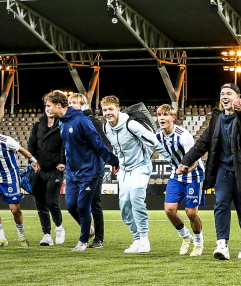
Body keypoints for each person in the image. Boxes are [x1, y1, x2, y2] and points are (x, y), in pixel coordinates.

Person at [177, 83, 241, 260]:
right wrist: (186, 162)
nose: (224, 96)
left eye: (229, 93)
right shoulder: (216, 119)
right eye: (222, 93)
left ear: (238, 97)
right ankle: (222, 244)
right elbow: (202, 144)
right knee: (221, 205)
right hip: (223, 170)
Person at [47, 91, 119, 252]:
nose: (47, 108)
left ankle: (84, 240)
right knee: (72, 206)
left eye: (49, 105)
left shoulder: (83, 121)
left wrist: (113, 161)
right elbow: (67, 146)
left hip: (90, 170)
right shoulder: (62, 122)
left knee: (87, 205)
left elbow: (99, 143)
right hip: (73, 172)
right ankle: (89, 229)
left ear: (58, 105)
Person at [101, 95, 171, 254]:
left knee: (136, 198)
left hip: (140, 167)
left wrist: (172, 161)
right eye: (105, 110)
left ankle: (145, 240)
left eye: (111, 109)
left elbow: (154, 141)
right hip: (124, 171)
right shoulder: (106, 128)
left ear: (118, 109)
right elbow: (116, 149)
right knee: (124, 209)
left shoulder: (130, 124)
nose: (108, 112)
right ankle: (137, 239)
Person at [0, 114, 39, 248]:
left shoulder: (6, 140)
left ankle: (21, 235)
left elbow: (21, 149)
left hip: (10, 177)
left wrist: (33, 161)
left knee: (15, 210)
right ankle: (2, 239)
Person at [156, 104, 206, 256]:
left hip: (194, 175)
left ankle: (198, 243)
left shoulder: (184, 136)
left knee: (191, 213)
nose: (162, 118)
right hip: (175, 176)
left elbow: (195, 159)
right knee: (169, 210)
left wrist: (185, 169)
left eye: (165, 115)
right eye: (159, 115)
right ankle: (186, 237)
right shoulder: (158, 135)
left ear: (173, 117)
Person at [68, 93, 111, 249]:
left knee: (95, 202)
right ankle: (88, 228)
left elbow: (104, 141)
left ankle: (98, 238)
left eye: (75, 103)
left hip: (93, 169)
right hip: (76, 170)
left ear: (83, 105)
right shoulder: (68, 121)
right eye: (70, 102)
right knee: (72, 205)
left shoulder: (91, 121)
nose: (71, 105)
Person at [28, 97, 67, 247]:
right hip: (38, 170)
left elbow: (65, 145)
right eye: (46, 106)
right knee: (40, 204)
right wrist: (32, 161)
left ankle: (59, 227)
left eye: (50, 106)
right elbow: (31, 145)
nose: (48, 109)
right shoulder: (38, 126)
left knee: (51, 201)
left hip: (55, 170)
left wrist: (63, 161)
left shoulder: (62, 125)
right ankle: (46, 235)